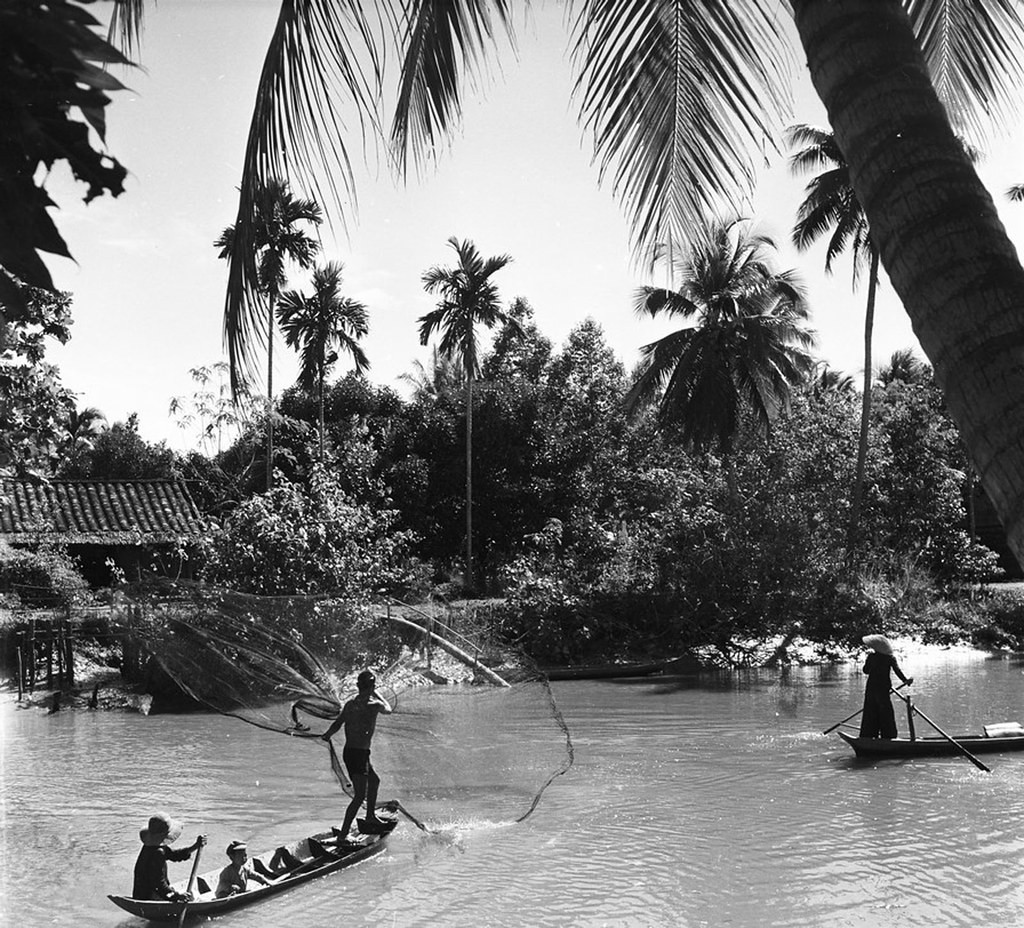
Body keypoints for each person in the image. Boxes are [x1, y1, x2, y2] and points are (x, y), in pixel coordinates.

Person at [321, 669, 393, 842]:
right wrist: (375, 692)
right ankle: (343, 835)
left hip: (353, 752)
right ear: (371, 687)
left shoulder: (350, 705)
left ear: (358, 686)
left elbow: (338, 724)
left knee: (374, 781)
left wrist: (327, 735)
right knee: (360, 795)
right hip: (359, 755)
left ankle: (369, 816)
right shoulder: (374, 704)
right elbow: (389, 709)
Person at [132, 813, 206, 902]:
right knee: (192, 897)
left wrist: (195, 846)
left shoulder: (151, 846)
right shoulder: (158, 852)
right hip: (149, 896)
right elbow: (159, 884)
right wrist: (177, 896)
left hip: (141, 894)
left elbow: (174, 855)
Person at [859, 634, 914, 739]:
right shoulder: (890, 658)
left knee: (870, 711)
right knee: (885, 712)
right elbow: (898, 671)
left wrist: (869, 661)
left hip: (871, 688)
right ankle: (888, 736)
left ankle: (868, 735)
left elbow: (865, 670)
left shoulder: (872, 657)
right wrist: (906, 680)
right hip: (883, 688)